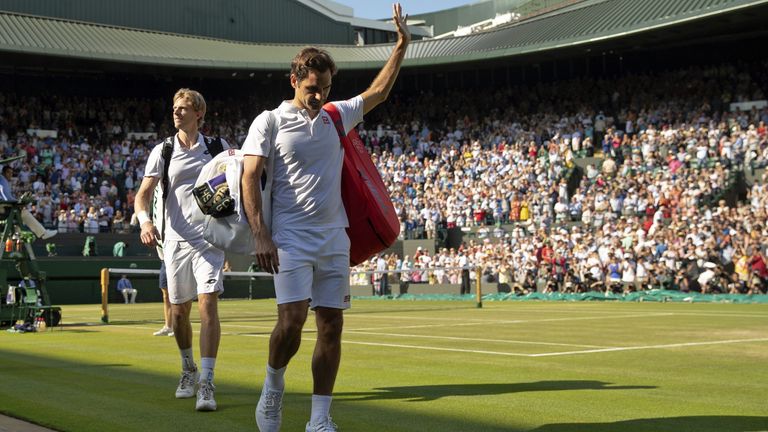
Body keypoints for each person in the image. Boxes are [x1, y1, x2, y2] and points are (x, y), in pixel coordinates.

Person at [241, 4, 410, 431]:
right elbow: (248, 177)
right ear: (295, 80)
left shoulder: (336, 115)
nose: (320, 95)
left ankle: (319, 420)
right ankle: (272, 390)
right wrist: (261, 235)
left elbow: (379, 93)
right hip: (290, 239)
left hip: (335, 238)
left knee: (331, 326)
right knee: (292, 321)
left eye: (327, 88)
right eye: (313, 87)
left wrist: (402, 45)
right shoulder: (270, 122)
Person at [135, 88, 230, 412]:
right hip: (174, 241)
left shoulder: (219, 148)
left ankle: (207, 381)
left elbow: (239, 183)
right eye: (174, 107)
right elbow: (142, 195)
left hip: (209, 241)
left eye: (184, 108)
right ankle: (187, 368)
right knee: (178, 313)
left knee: (208, 307)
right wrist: (145, 223)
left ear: (199, 113)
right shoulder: (163, 150)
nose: (176, 112)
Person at [0, 166, 57, 240]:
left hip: (3, 207)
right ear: (4, 173)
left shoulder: (2, 180)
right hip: (2, 208)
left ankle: (16, 239)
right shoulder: (2, 180)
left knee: (18, 218)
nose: (11, 174)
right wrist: (19, 202)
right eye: (8, 172)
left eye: (11, 173)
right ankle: (43, 233)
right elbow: (6, 198)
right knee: (23, 212)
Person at [153, 262, 174, 337]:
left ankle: (178, 327)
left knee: (176, 295)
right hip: (164, 263)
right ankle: (168, 327)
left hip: (176, 261)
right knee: (166, 296)